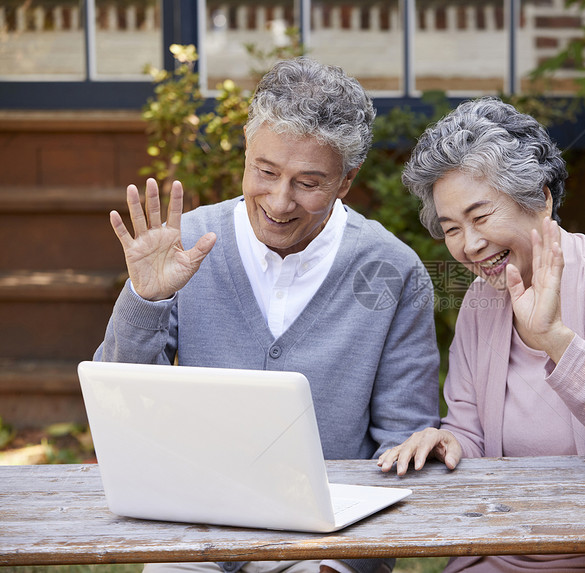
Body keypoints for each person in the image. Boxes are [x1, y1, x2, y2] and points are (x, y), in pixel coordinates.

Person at [95, 58, 440, 573]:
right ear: (246, 150)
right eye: (266, 171)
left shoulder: (393, 270)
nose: (280, 201)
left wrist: (349, 541)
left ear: (346, 182)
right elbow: (119, 408)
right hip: (193, 523)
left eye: (309, 182)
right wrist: (145, 301)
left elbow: (404, 440)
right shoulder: (182, 244)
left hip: (328, 536)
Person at [377, 97, 585, 573]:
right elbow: (470, 433)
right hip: (498, 556)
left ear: (541, 199)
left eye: (480, 217)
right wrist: (447, 444)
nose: (469, 245)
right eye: (452, 228)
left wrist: (557, 341)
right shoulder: (480, 300)